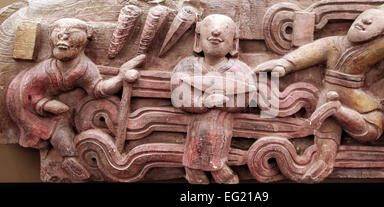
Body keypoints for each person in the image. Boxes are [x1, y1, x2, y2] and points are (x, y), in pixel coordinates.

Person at [254, 4, 384, 182]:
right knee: (330, 128)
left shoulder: (371, 48)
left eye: (373, 22)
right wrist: (285, 64)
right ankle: (327, 147)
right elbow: (308, 52)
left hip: (353, 96)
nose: (365, 21)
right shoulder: (332, 43)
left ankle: (335, 118)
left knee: (372, 130)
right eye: (363, 17)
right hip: (334, 93)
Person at [6, 18, 144, 178]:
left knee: (60, 125)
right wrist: (45, 104)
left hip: (52, 106)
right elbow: (26, 91)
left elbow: (98, 89)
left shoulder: (84, 67)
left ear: (85, 41)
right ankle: (66, 158)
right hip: (22, 102)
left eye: (71, 34)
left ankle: (69, 159)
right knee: (51, 127)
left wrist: (120, 78)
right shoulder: (45, 69)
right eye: (58, 34)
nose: (63, 37)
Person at [171, 14, 256, 184]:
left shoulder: (240, 70)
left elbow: (247, 97)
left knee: (213, 142)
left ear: (233, 42)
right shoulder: (186, 66)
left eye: (224, 30)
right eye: (209, 28)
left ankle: (221, 174)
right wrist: (203, 103)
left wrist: (224, 101)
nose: (216, 32)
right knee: (194, 168)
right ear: (198, 38)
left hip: (221, 126)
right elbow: (178, 94)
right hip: (194, 127)